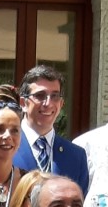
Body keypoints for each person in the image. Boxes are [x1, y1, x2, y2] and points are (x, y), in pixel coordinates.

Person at [12, 64, 89, 194]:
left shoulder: (76, 156)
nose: (48, 103)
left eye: (55, 96)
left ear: (61, 104)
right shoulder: (4, 147)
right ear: (23, 103)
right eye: (40, 95)